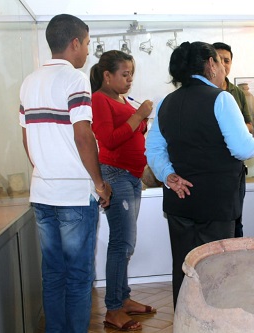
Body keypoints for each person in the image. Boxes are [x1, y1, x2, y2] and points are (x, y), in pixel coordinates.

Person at [145, 41, 254, 308]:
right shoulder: (221, 98)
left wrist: (168, 174)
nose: (223, 69)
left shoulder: (166, 103)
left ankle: (186, 320)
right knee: (216, 269)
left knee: (185, 267)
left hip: (180, 198)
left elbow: (153, 149)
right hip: (216, 202)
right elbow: (241, 148)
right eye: (221, 63)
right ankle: (215, 323)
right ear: (211, 64)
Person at [19, 14, 112, 332]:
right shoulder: (75, 78)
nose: (87, 51)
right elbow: (83, 134)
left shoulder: (29, 81)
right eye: (86, 44)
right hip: (74, 194)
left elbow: (26, 137)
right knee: (77, 276)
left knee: (53, 274)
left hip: (42, 193)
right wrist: (99, 183)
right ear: (75, 43)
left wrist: (45, 168)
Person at [90, 50, 154, 331]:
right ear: (107, 75)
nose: (130, 80)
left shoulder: (121, 99)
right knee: (121, 243)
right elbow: (108, 140)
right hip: (115, 175)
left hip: (130, 176)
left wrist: (141, 122)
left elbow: (129, 133)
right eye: (124, 74)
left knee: (126, 243)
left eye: (132, 75)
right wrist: (139, 115)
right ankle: (113, 309)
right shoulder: (99, 99)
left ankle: (123, 299)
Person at [213, 42, 253, 238]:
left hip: (235, 166)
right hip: (212, 167)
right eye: (218, 59)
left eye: (226, 60)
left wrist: (234, 131)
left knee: (237, 218)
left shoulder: (237, 92)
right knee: (215, 220)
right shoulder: (206, 92)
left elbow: (249, 125)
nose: (223, 64)